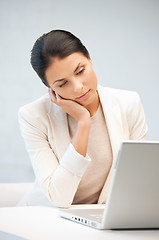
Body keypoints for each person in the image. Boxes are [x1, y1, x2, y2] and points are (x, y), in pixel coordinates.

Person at [18, 29, 148, 208]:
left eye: (80, 71)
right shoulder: (33, 116)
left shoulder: (128, 103)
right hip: (45, 217)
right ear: (50, 88)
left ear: (90, 60)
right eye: (62, 84)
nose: (78, 87)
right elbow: (59, 198)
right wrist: (83, 122)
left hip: (100, 217)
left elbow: (137, 179)